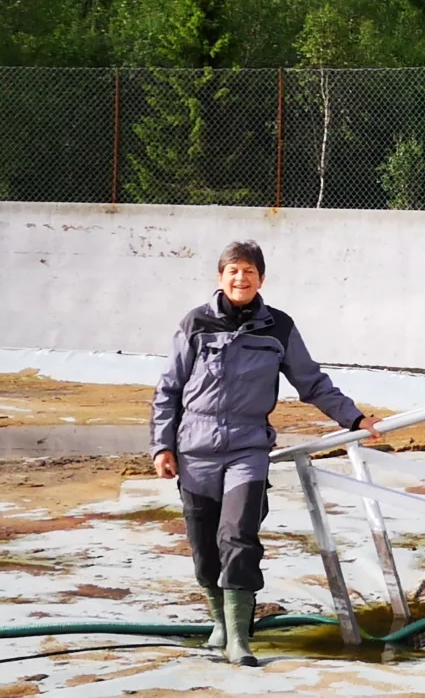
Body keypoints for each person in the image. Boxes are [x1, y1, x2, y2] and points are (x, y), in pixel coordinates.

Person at [149, 241, 380, 666]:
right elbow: (169, 389)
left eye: (249, 272)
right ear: (220, 278)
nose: (241, 279)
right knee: (204, 547)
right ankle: (220, 623)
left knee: (238, 536)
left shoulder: (278, 327)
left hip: (247, 448)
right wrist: (163, 445)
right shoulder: (195, 324)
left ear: (262, 279)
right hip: (195, 449)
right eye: (233, 271)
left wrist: (353, 418)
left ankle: (239, 639)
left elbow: (311, 382)